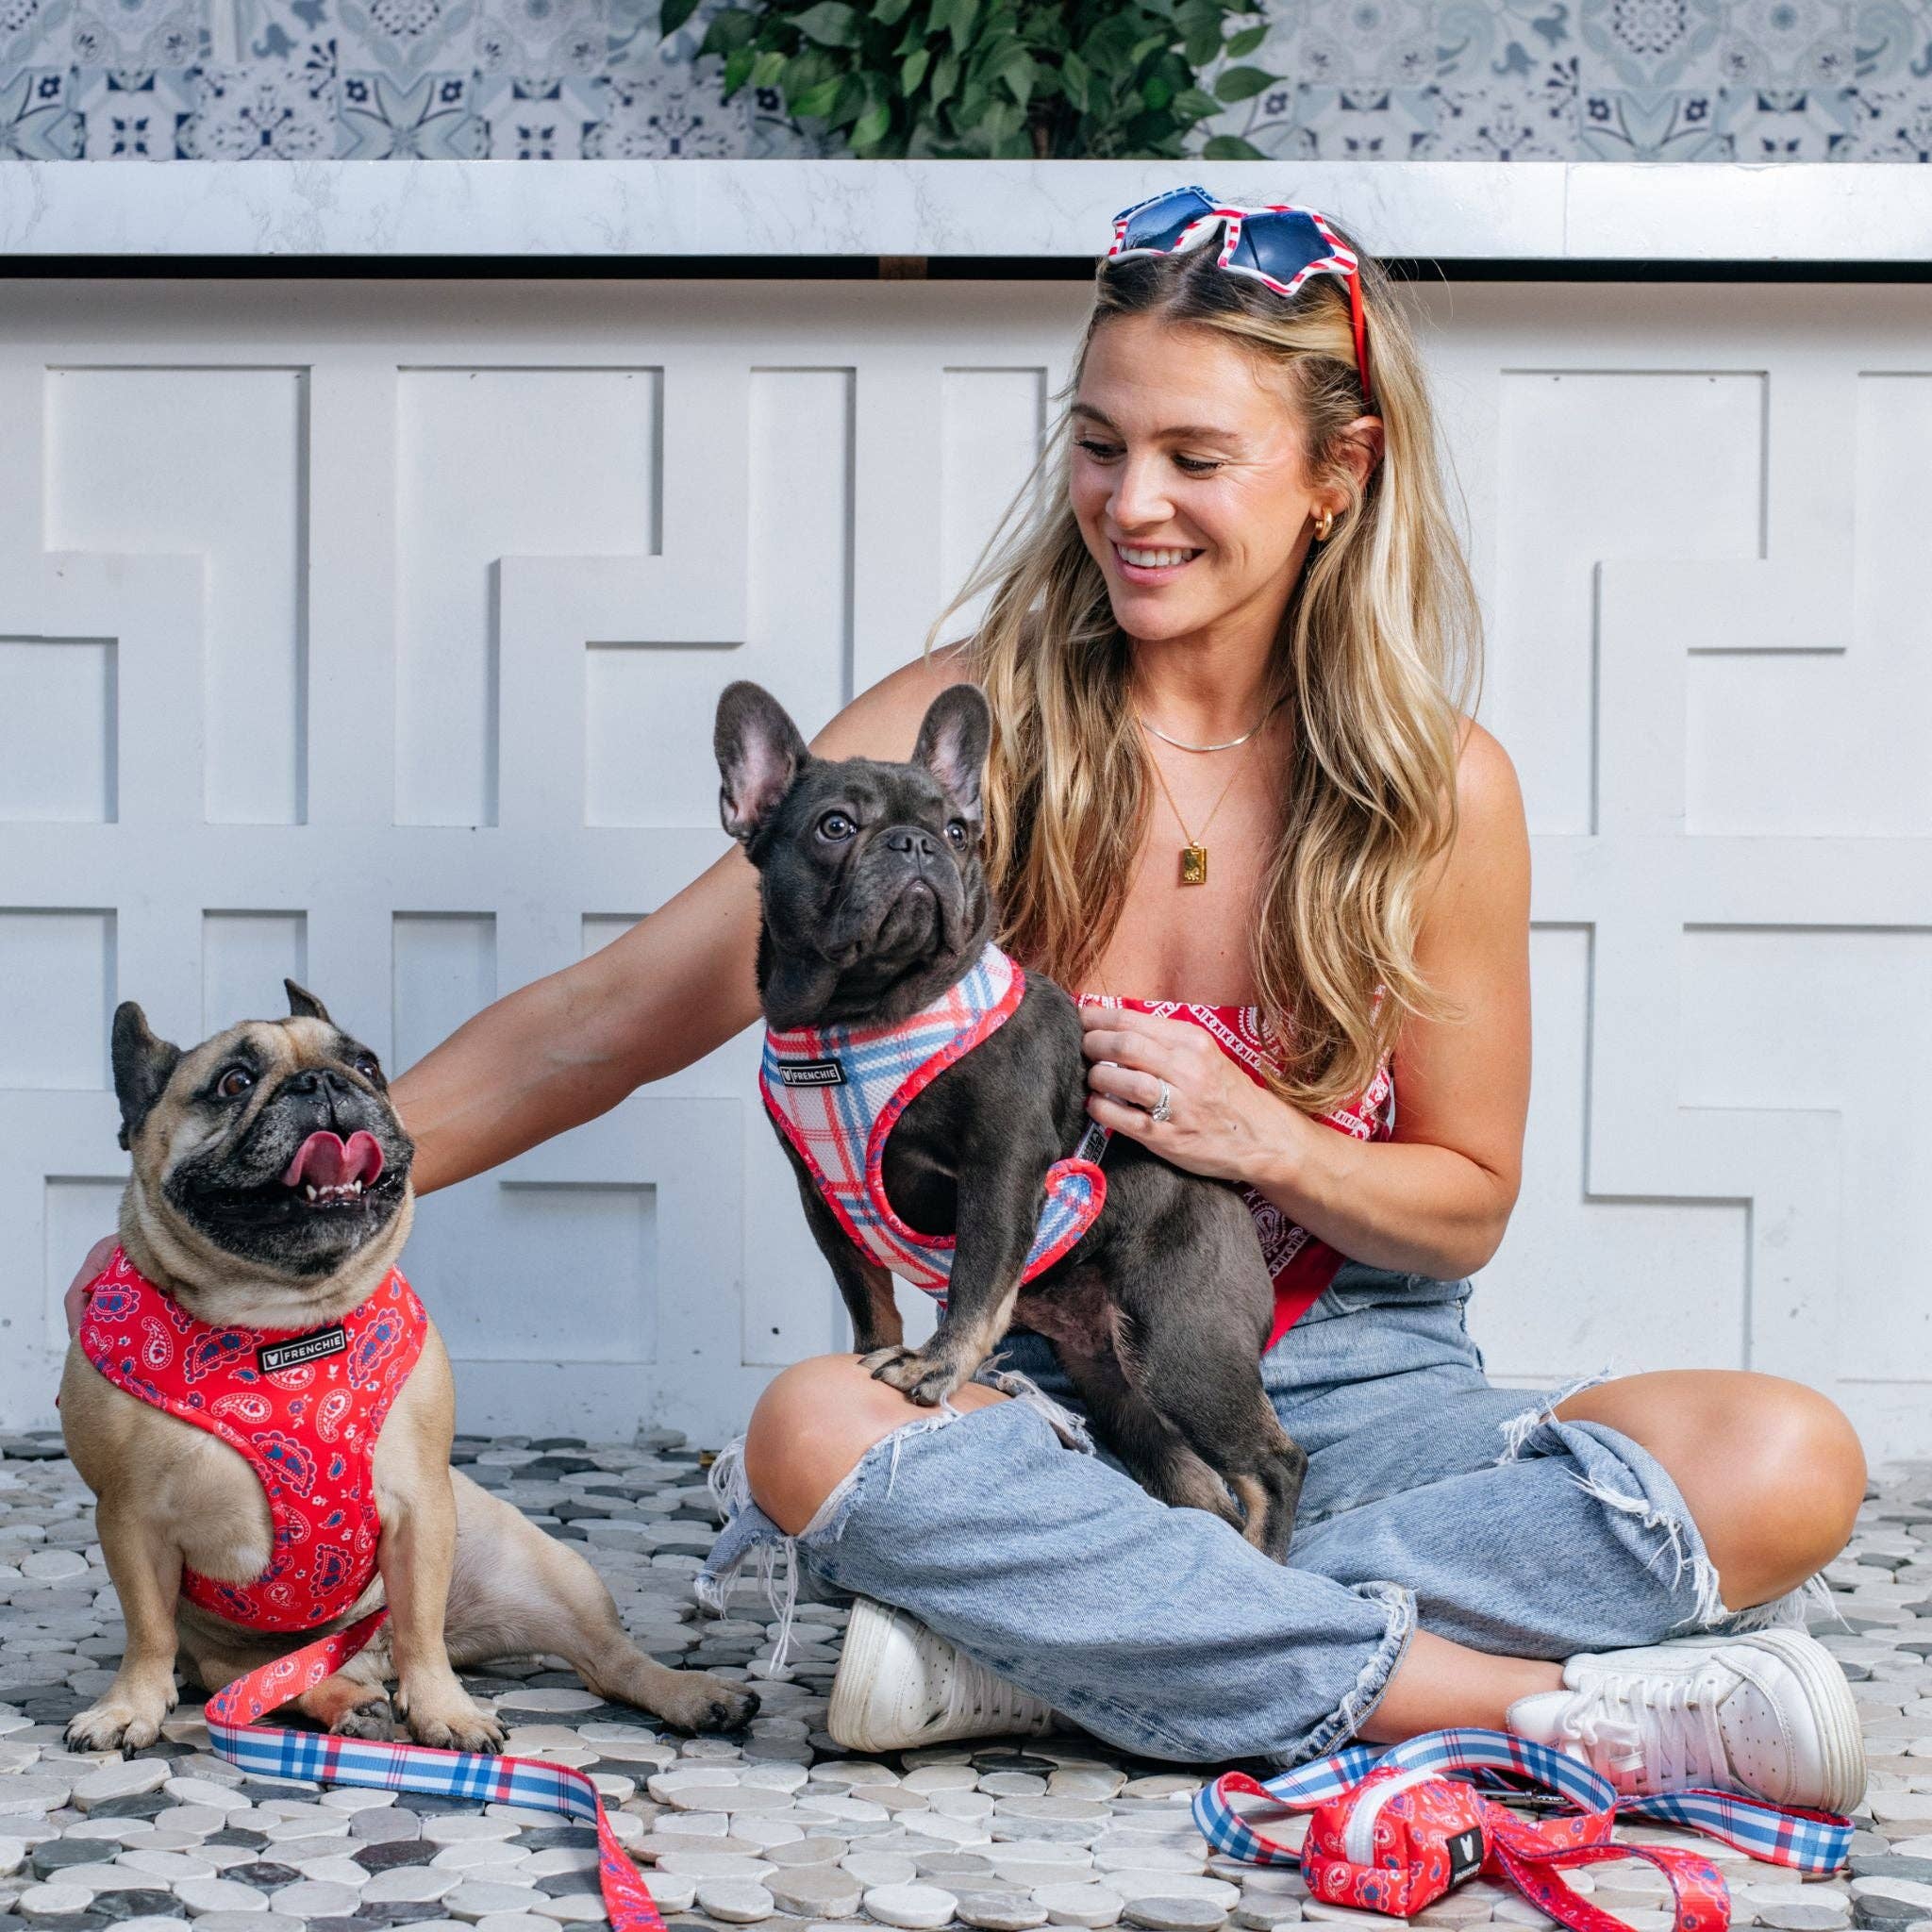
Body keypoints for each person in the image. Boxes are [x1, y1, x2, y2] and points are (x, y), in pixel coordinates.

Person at [67, 192, 1869, 1804]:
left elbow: (1462, 1204)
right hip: (1026, 1395)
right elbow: (605, 1021)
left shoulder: (1436, 789)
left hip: (1357, 1384)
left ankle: (1060, 1644)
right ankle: (1505, 1701)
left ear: (1338, 471)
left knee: (1786, 1461)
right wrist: (233, 1213)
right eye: (1098, 444)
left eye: (1195, 456)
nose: (1131, 504)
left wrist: (1267, 1141)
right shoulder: (956, 735)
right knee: (812, 1429)